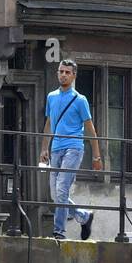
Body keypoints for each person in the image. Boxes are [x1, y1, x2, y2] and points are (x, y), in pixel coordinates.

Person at [39, 59, 103, 241]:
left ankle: (59, 232)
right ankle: (84, 216)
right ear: (57, 73)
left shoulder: (80, 100)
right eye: (61, 71)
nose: (64, 75)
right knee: (54, 195)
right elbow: (49, 123)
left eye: (67, 72)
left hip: (74, 148)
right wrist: (44, 148)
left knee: (61, 190)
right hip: (56, 149)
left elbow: (90, 128)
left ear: (74, 75)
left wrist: (96, 156)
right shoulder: (51, 97)